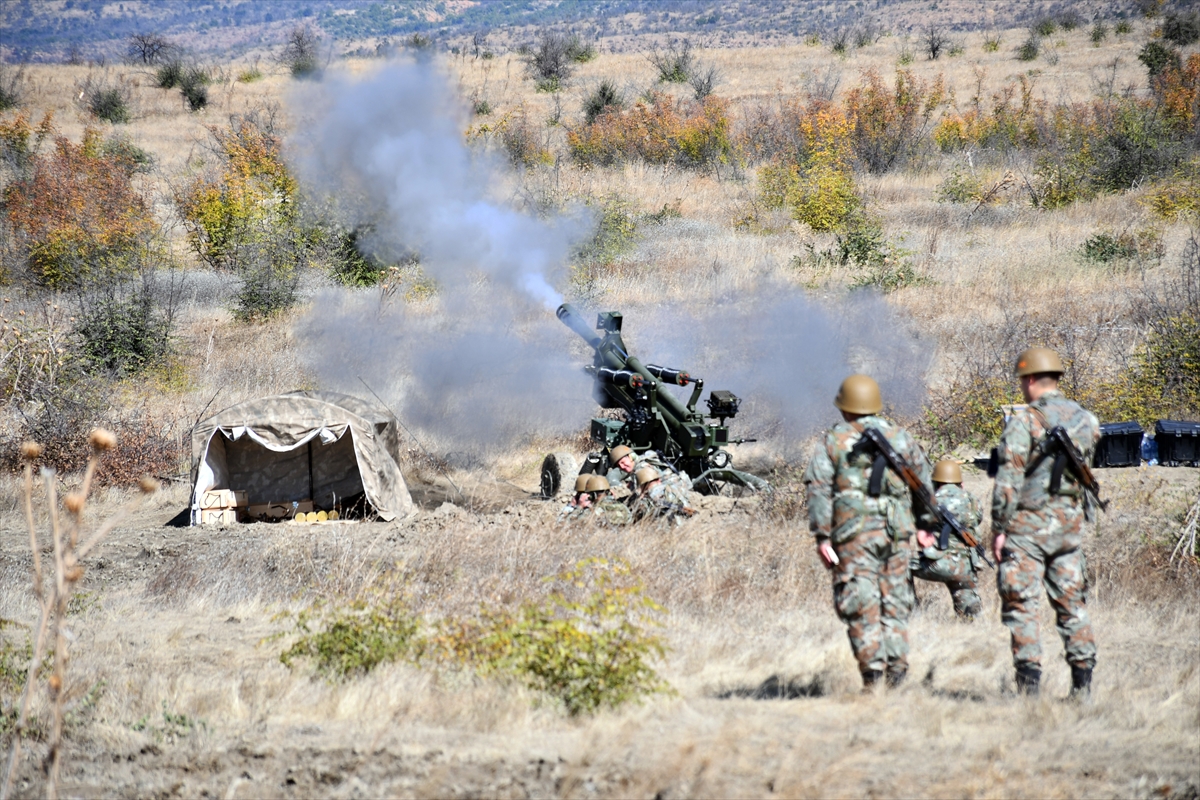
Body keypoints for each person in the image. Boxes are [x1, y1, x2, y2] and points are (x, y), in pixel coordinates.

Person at [803, 374, 936, 691]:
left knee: (860, 603)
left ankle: (872, 676)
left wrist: (822, 536)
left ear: (844, 407)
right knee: (895, 602)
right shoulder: (900, 437)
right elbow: (923, 483)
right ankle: (897, 671)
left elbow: (818, 489)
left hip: (854, 535)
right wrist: (926, 525)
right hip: (897, 532)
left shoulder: (833, 441)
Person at [992, 347, 1100, 699]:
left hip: (1027, 529)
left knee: (1022, 606)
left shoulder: (1024, 421)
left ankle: (1029, 693)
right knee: (1072, 606)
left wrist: (998, 528)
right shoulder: (1087, 419)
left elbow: (1008, 479)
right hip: (1068, 527)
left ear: (1031, 380)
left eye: (1023, 380)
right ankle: (1082, 690)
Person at [909, 459, 983, 620]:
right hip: (967, 567)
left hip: (939, 563)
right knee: (969, 613)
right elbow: (977, 519)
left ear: (935, 481)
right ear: (960, 482)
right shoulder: (972, 500)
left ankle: (910, 610)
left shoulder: (930, 499)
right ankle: (972, 622)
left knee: (898, 565)